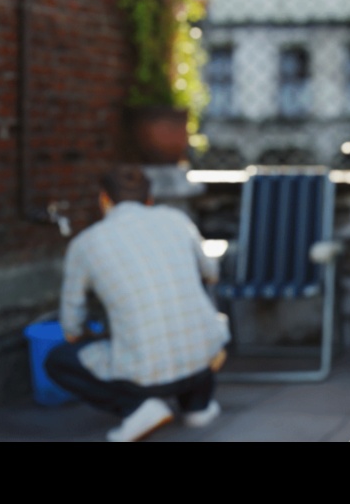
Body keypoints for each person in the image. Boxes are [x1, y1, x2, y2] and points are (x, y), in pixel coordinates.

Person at [46, 165, 230, 442]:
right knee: (191, 318)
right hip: (206, 356)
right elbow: (211, 273)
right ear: (149, 198)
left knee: (59, 360)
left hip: (144, 377)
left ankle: (136, 408)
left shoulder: (85, 244)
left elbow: (71, 326)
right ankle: (197, 407)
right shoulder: (176, 220)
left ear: (104, 199)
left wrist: (87, 336)